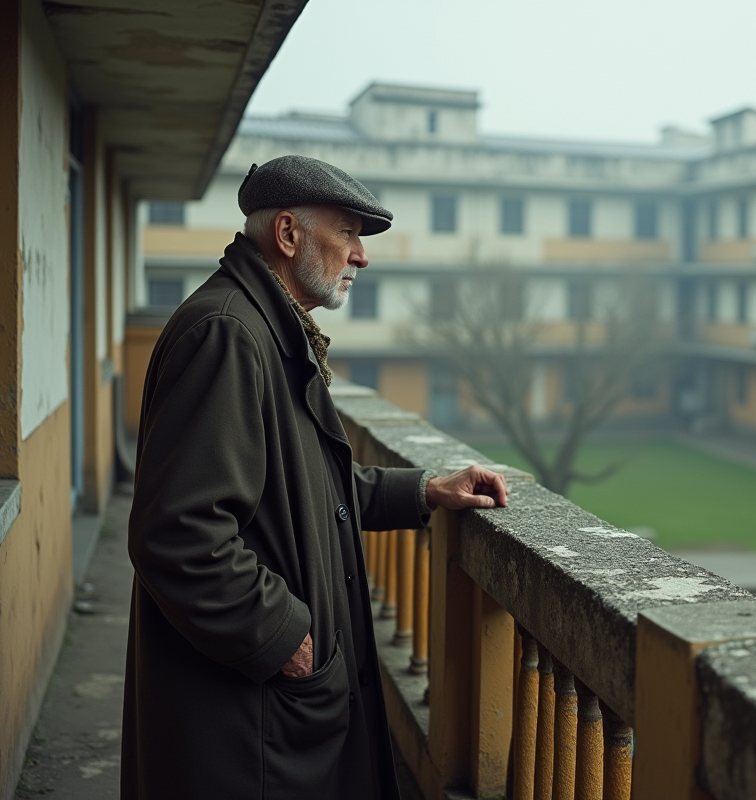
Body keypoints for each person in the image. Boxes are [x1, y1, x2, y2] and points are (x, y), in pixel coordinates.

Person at [121, 155, 508, 799]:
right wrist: (285, 638)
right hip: (247, 723)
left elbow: (304, 492)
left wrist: (422, 491)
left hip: (268, 710)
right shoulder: (230, 334)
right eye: (349, 233)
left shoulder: (272, 330)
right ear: (289, 234)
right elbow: (178, 534)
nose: (361, 256)